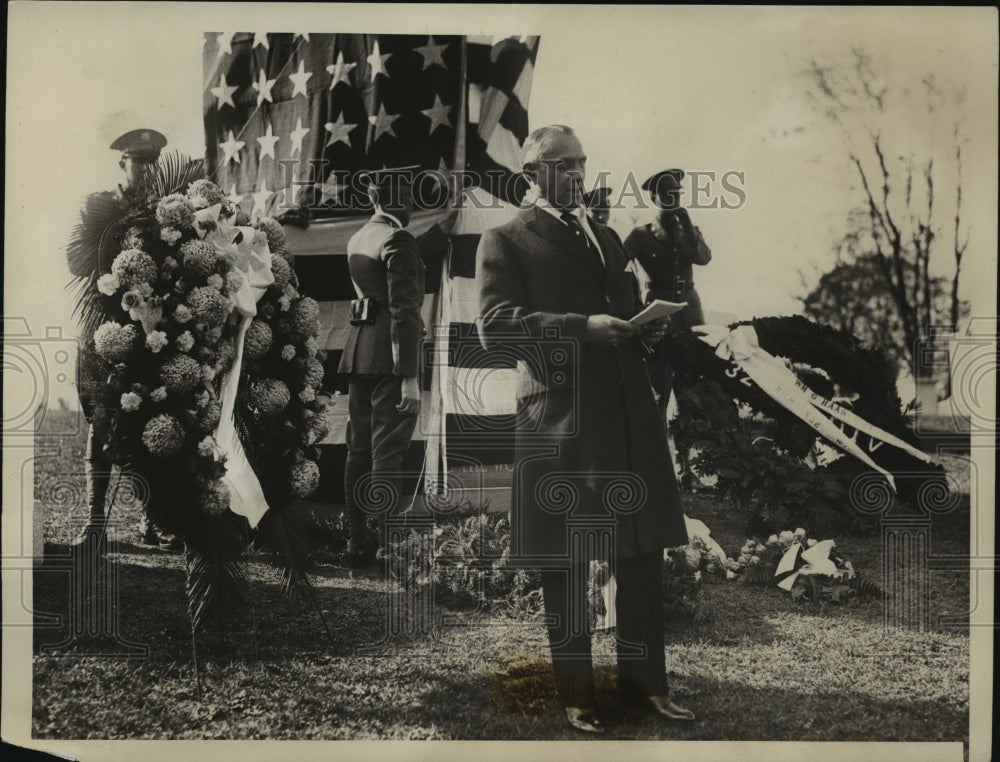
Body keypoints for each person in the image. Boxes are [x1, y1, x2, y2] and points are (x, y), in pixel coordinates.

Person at [477, 125, 694, 733]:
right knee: (567, 557)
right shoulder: (506, 238)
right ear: (532, 172)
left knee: (642, 549)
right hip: (561, 417)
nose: (577, 173)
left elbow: (620, 308)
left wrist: (641, 327)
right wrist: (582, 327)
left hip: (627, 412)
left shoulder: (604, 236)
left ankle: (646, 687)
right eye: (564, 164)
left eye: (582, 162)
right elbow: (496, 327)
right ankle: (577, 694)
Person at [71, 128, 181, 554]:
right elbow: (76, 262)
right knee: (102, 421)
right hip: (103, 332)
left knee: (153, 420)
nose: (148, 170)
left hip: (149, 332)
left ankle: (152, 520)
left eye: (153, 162)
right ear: (122, 165)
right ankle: (95, 522)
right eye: (139, 162)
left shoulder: (168, 211)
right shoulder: (102, 206)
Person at [338, 166, 426, 568]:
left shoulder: (359, 236)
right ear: (394, 200)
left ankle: (357, 541)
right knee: (387, 451)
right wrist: (410, 376)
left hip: (359, 350)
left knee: (358, 448)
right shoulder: (399, 239)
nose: (411, 204)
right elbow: (405, 310)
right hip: (391, 356)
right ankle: (389, 546)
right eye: (407, 197)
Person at [624, 168, 712, 409]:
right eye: (666, 195)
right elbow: (619, 269)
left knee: (693, 386)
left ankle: (692, 444)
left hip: (690, 312)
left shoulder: (688, 231)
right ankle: (657, 445)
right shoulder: (640, 236)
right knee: (659, 388)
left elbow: (703, 258)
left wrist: (688, 225)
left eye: (676, 194)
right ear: (654, 198)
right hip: (659, 315)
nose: (672, 199)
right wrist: (636, 305)